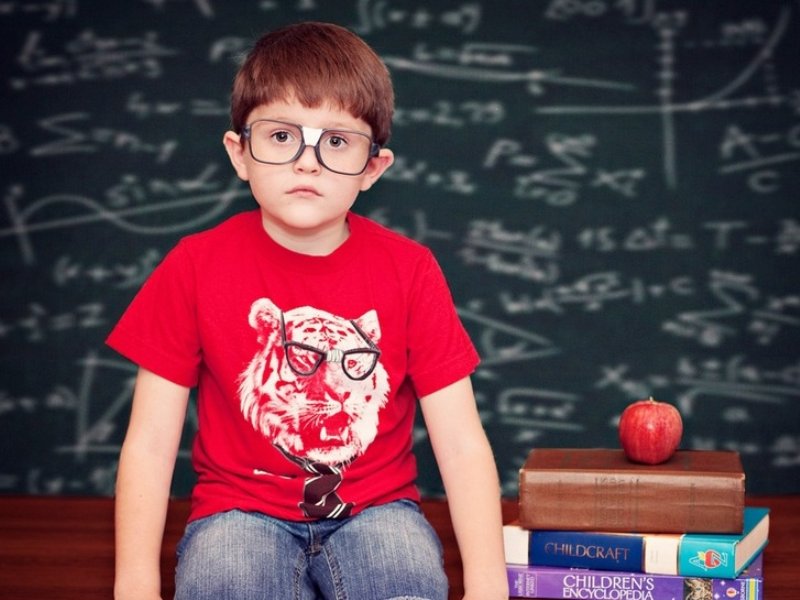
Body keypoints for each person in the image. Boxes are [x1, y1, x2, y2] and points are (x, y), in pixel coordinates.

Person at [108, 21, 508, 600]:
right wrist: (135, 587)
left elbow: (463, 443)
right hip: (238, 511)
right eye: (280, 137)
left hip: (376, 510)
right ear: (239, 153)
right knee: (226, 581)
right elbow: (148, 443)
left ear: (373, 167)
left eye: (338, 142)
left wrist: (488, 589)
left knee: (407, 579)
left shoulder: (410, 269)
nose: (307, 162)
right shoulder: (194, 266)